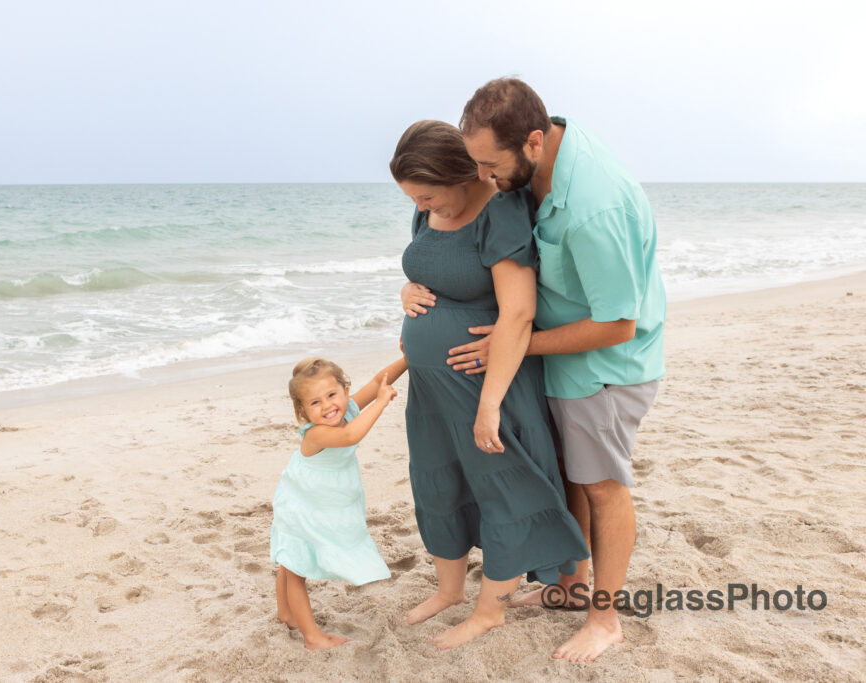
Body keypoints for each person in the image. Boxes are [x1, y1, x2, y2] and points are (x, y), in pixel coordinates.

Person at [404, 79, 666, 662]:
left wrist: (516, 345)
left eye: (489, 166)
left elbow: (619, 324)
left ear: (532, 142)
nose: (483, 177)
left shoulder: (595, 206)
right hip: (555, 355)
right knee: (569, 475)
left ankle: (605, 620)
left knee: (601, 486)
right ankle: (569, 586)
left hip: (605, 365)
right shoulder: (539, 158)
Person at [391, 120, 589, 650]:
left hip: (488, 386)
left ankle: (491, 610)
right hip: (432, 391)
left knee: (504, 490)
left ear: (461, 173)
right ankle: (450, 590)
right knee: (438, 484)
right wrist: (407, 290)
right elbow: (433, 268)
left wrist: (490, 405)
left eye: (428, 194)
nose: (423, 206)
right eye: (414, 198)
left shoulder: (499, 212)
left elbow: (519, 311)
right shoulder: (429, 208)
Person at [271, 356, 407, 650]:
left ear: (345, 390)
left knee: (291, 558)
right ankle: (312, 637)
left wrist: (407, 359)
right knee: (296, 568)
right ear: (303, 410)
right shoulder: (318, 432)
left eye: (332, 395)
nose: (327, 406)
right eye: (315, 403)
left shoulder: (350, 407)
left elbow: (378, 381)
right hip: (304, 503)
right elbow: (350, 435)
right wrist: (382, 403)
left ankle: (285, 613)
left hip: (324, 501)